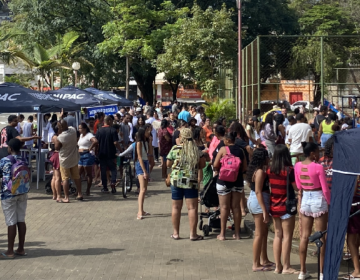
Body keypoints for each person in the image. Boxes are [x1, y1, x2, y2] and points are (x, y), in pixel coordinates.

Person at [295, 142, 330, 280]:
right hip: (318, 198)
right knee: (321, 237)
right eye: (317, 152)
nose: (319, 154)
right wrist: (330, 202)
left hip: (305, 199)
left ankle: (302, 271)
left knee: (304, 236)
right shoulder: (318, 167)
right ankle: (322, 273)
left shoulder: (297, 165)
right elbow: (325, 188)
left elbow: (298, 185)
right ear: (311, 153)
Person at [167, 128, 206, 240]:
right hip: (191, 182)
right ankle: (193, 234)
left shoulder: (175, 149)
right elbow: (202, 165)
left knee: (176, 207)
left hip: (176, 181)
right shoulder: (196, 150)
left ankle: (176, 233)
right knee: (192, 208)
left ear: (181, 137)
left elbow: (169, 164)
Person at [267, 144, 299, 275]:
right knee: (287, 237)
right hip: (286, 206)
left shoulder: (270, 170)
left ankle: (277, 266)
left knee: (277, 235)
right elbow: (296, 187)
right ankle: (286, 266)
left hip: (274, 205)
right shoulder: (289, 170)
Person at [213, 131, 247, 240]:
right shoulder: (241, 151)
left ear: (228, 140)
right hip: (237, 181)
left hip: (223, 181)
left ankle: (222, 234)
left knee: (224, 207)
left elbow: (215, 164)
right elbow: (245, 167)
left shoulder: (223, 150)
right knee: (236, 207)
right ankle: (237, 234)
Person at [0, 138, 30, 258]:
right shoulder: (25, 159)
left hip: (8, 194)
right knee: (21, 220)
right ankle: (21, 248)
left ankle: (10, 251)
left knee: (11, 222)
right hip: (22, 192)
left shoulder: (4, 160)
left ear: (10, 148)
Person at [246, 148, 273, 272]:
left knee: (263, 232)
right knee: (258, 234)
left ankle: (264, 259)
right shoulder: (260, 172)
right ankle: (256, 264)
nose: (269, 158)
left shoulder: (255, 170)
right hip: (259, 201)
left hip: (255, 200)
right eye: (267, 156)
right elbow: (258, 191)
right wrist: (264, 211)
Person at [55, 120, 83, 202]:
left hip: (65, 160)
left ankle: (66, 197)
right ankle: (80, 193)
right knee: (77, 177)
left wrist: (58, 133)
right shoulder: (73, 131)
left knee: (65, 178)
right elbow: (65, 124)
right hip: (74, 158)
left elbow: (57, 147)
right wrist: (62, 118)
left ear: (60, 127)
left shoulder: (60, 137)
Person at [95, 116, 121, 193]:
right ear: (109, 121)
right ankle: (113, 182)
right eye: (112, 121)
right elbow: (115, 142)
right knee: (113, 169)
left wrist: (96, 152)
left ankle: (105, 187)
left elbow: (96, 143)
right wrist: (121, 150)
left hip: (102, 153)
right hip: (111, 153)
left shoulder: (99, 131)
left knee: (103, 170)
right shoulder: (113, 130)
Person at [135, 126, 153, 220]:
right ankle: (139, 212)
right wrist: (145, 171)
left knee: (144, 189)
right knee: (142, 190)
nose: (149, 132)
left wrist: (150, 142)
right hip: (141, 165)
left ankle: (142, 210)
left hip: (146, 163)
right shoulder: (139, 143)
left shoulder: (145, 142)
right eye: (147, 130)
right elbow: (139, 157)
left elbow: (150, 153)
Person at [78, 123, 98, 196]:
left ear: (85, 128)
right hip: (80, 155)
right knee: (78, 173)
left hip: (87, 155)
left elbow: (95, 141)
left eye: (80, 128)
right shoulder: (81, 135)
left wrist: (90, 148)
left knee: (88, 173)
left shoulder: (89, 135)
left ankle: (88, 190)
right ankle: (78, 190)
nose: (79, 130)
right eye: (79, 128)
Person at [346, 176, 360, 279]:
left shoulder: (355, 170)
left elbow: (353, 190)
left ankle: (357, 271)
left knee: (351, 239)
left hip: (355, 204)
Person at [49, 122, 61, 202]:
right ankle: (58, 195)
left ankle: (54, 195)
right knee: (57, 177)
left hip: (54, 155)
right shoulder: (56, 137)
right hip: (57, 155)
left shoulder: (54, 136)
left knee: (54, 177)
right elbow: (57, 147)